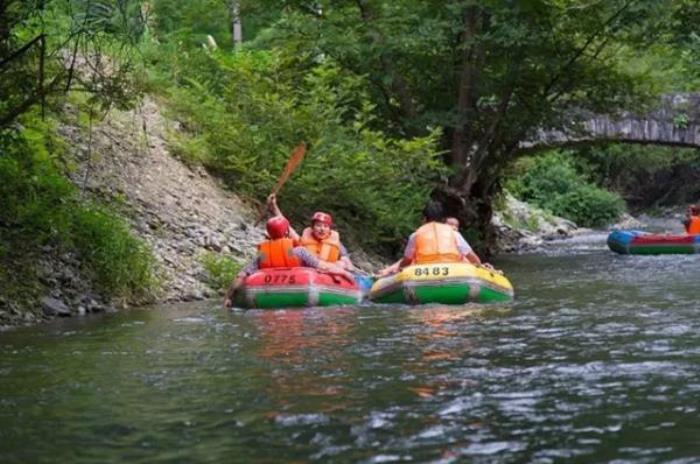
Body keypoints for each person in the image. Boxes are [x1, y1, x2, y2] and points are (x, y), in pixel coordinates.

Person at [223, 216, 354, 308]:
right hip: (302, 287)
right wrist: (344, 273)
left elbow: (241, 275)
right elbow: (323, 267)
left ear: (269, 233)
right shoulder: (299, 251)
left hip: (265, 290)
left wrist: (228, 297)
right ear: (286, 232)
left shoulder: (262, 254)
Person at [376, 203, 489, 277]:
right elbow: (471, 256)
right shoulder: (454, 234)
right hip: (454, 271)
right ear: (443, 219)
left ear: (424, 219)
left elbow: (407, 260)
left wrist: (398, 270)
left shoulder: (416, 235)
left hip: (421, 273)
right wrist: (480, 266)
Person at [266, 194, 356, 271]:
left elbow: (347, 262)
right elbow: (286, 225)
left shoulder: (337, 244)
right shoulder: (303, 241)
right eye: (318, 225)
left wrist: (342, 264)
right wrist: (274, 207)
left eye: (325, 226)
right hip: (307, 273)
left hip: (329, 273)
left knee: (343, 263)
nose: (322, 229)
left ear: (329, 229)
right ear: (312, 228)